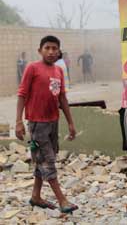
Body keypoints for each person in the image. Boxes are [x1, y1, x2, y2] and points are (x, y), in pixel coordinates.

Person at [15, 35, 78, 213]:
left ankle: (36, 196)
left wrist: (71, 123)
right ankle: (62, 199)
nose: (51, 52)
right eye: (47, 48)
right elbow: (22, 94)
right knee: (48, 160)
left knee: (42, 160)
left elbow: (62, 98)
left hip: (53, 122)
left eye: (54, 48)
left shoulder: (58, 71)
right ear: (40, 50)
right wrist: (19, 121)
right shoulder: (32, 68)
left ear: (59, 52)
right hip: (37, 124)